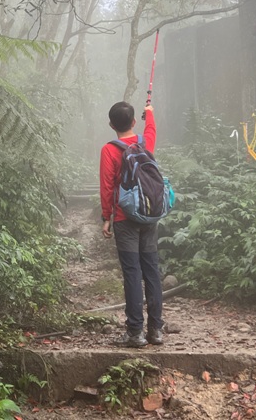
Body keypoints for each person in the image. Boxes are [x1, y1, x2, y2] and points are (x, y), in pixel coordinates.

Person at [99, 101, 164, 348]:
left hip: (125, 219)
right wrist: (150, 112)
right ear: (134, 122)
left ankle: (135, 332)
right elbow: (152, 130)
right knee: (152, 272)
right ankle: (156, 330)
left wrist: (107, 217)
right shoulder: (144, 143)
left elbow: (106, 186)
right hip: (149, 215)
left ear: (111, 125)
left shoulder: (109, 150)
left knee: (132, 274)